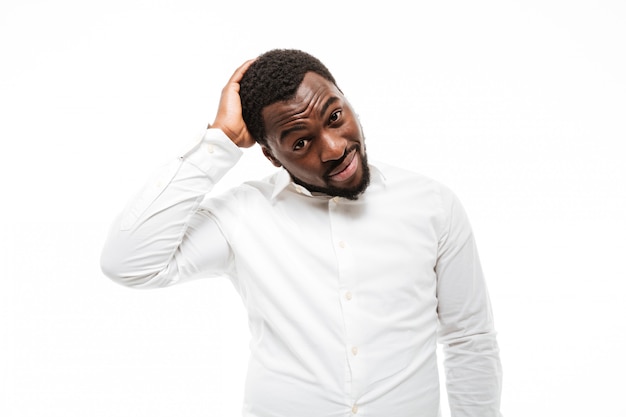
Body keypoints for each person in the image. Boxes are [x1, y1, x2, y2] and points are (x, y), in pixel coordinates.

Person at [101, 49, 503, 417]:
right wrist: (218, 142)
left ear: (347, 100)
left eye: (335, 116)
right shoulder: (243, 215)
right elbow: (128, 263)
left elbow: (470, 339)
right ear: (270, 155)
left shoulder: (432, 204)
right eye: (300, 142)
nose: (332, 148)